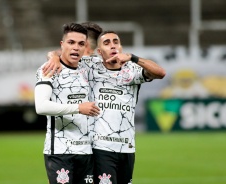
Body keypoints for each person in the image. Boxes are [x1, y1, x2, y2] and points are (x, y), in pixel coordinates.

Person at [44, 30, 166, 183]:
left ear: (121, 47)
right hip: (101, 147)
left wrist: (133, 58)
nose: (113, 45)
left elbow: (160, 73)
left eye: (116, 42)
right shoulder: (91, 66)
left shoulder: (132, 70)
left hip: (127, 147)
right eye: (107, 43)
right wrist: (54, 57)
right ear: (100, 52)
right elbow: (64, 53)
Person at [35, 22, 100, 184]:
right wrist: (79, 108)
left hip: (88, 151)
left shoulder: (89, 67)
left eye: (81, 44)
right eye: (71, 43)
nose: (76, 48)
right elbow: (41, 106)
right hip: (60, 151)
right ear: (62, 45)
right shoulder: (49, 69)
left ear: (86, 47)